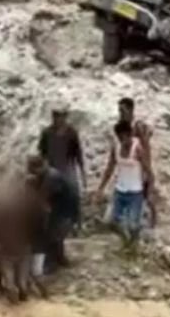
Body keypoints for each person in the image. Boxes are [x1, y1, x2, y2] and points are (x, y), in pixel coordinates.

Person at [95, 120, 150, 248]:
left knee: (133, 225)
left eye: (124, 137)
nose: (122, 141)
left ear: (130, 134)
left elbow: (148, 170)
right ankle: (126, 240)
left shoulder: (137, 148)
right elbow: (109, 168)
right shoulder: (116, 147)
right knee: (111, 222)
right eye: (119, 138)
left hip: (135, 192)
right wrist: (100, 188)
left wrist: (149, 190)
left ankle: (134, 244)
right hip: (120, 190)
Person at [27, 155, 79, 273]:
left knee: (52, 236)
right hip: (62, 209)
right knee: (56, 236)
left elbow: (42, 200)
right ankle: (61, 260)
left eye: (32, 171)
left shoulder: (51, 177)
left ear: (39, 168)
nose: (31, 174)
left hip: (65, 212)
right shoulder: (48, 174)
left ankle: (51, 265)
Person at [38, 105, 86, 228]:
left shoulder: (71, 132)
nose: (58, 119)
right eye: (55, 115)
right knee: (45, 191)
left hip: (67, 167)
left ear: (65, 117)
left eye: (60, 116)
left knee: (74, 189)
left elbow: (78, 154)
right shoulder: (47, 133)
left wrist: (82, 173)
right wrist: (44, 167)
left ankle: (77, 222)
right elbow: (42, 153)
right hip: (52, 167)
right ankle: (44, 218)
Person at [118, 97, 158, 228]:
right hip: (130, 164)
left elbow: (146, 146)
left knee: (146, 193)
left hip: (140, 163)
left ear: (130, 110)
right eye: (119, 110)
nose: (121, 113)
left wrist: (147, 166)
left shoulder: (137, 126)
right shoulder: (123, 126)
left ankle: (153, 220)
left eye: (123, 110)